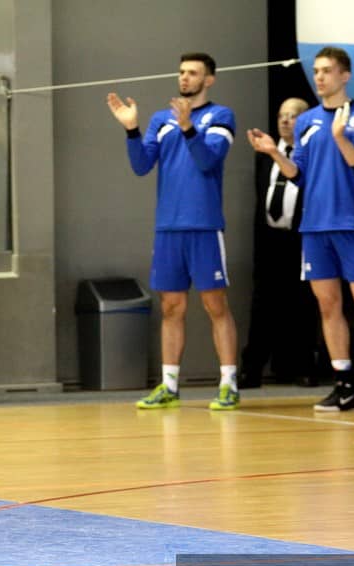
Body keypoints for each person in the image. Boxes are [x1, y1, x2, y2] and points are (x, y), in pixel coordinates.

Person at [107, 52, 240, 411]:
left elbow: (208, 160)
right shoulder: (160, 119)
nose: (184, 78)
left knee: (215, 305)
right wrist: (131, 129)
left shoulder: (221, 116)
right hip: (168, 227)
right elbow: (141, 165)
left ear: (208, 80)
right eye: (181, 72)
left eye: (193, 73)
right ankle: (168, 385)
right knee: (171, 307)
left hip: (204, 225)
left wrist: (188, 128)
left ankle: (228, 384)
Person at [248, 46, 354, 412]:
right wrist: (274, 153)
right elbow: (298, 174)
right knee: (328, 305)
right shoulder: (307, 121)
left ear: (345, 76)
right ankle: (344, 386)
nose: (319, 77)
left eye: (326, 70)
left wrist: (340, 137)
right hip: (315, 227)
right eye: (316, 71)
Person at [239, 98, 320, 389]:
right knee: (263, 303)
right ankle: (252, 369)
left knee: (303, 303)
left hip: (300, 237)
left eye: (293, 115)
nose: (285, 121)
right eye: (281, 115)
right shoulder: (264, 155)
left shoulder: (312, 154)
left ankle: (302, 366)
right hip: (270, 239)